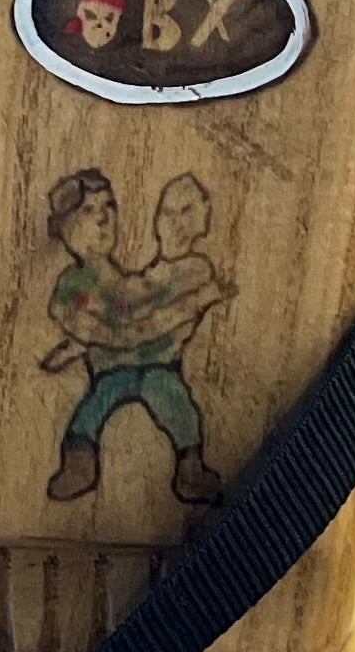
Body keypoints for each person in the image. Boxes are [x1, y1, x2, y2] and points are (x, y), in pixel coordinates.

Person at [39, 166, 232, 506]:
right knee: (90, 411)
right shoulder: (70, 288)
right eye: (88, 210)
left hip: (159, 368)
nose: (103, 218)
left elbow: (132, 313)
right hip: (111, 372)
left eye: (108, 206)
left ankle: (190, 470)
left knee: (178, 406)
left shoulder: (124, 282)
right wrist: (192, 305)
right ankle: (79, 466)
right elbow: (121, 334)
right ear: (65, 228)